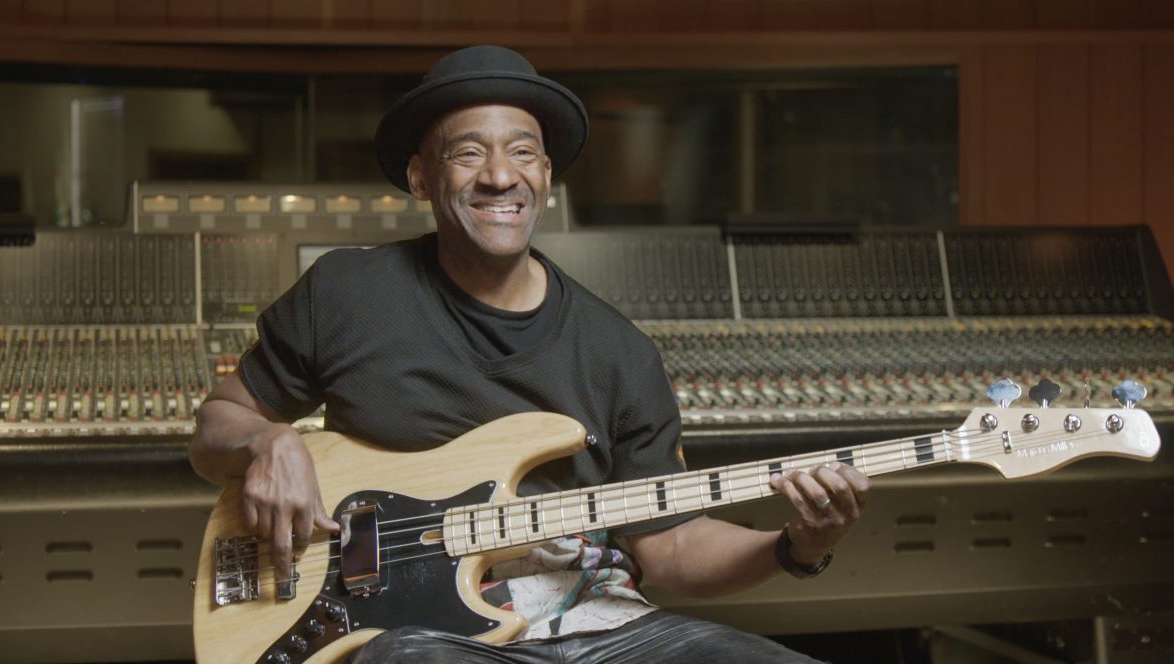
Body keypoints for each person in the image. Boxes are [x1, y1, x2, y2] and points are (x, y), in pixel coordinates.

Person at [188, 45, 870, 663]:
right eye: (467, 154)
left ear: (546, 175)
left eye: (521, 153)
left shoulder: (618, 352)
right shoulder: (347, 293)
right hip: (423, 637)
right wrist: (267, 441)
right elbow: (215, 427)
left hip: (603, 626)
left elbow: (671, 549)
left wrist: (795, 547)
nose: (498, 176)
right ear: (421, 177)